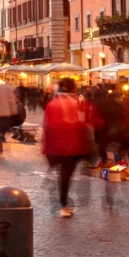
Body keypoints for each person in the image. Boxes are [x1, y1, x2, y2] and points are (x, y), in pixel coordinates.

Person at [42, 77, 93, 217]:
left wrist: (46, 147)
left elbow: (48, 127)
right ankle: (63, 202)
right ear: (71, 89)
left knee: (62, 175)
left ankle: (63, 200)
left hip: (55, 146)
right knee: (65, 176)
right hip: (71, 146)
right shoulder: (77, 103)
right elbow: (81, 124)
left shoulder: (52, 104)